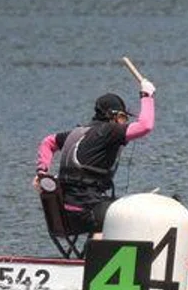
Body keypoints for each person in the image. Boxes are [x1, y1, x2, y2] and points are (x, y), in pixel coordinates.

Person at [34, 73, 157, 237]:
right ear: (111, 116)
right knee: (141, 216)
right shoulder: (109, 131)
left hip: (64, 217)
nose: (124, 124)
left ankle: (96, 246)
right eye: (122, 118)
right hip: (87, 213)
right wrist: (146, 95)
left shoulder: (76, 133)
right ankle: (103, 255)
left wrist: (42, 172)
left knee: (110, 208)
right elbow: (145, 126)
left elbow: (48, 142)